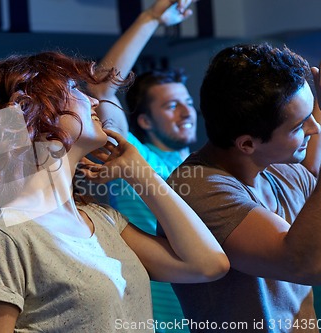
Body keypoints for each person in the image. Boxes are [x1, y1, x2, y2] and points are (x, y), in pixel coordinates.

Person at [0, 49, 228, 332]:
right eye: (74, 90)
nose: (93, 101)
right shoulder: (7, 235)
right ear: (29, 111)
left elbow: (209, 264)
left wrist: (140, 172)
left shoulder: (103, 221)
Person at [166, 43, 321, 332]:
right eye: (299, 125)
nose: (315, 129)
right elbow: (306, 264)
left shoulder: (285, 170)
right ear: (247, 144)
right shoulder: (196, 189)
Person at [88, 0, 197, 331]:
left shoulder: (209, 166)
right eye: (172, 105)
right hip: (157, 319)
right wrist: (151, 17)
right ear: (146, 121)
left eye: (188, 103)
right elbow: (102, 85)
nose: (185, 112)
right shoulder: (134, 156)